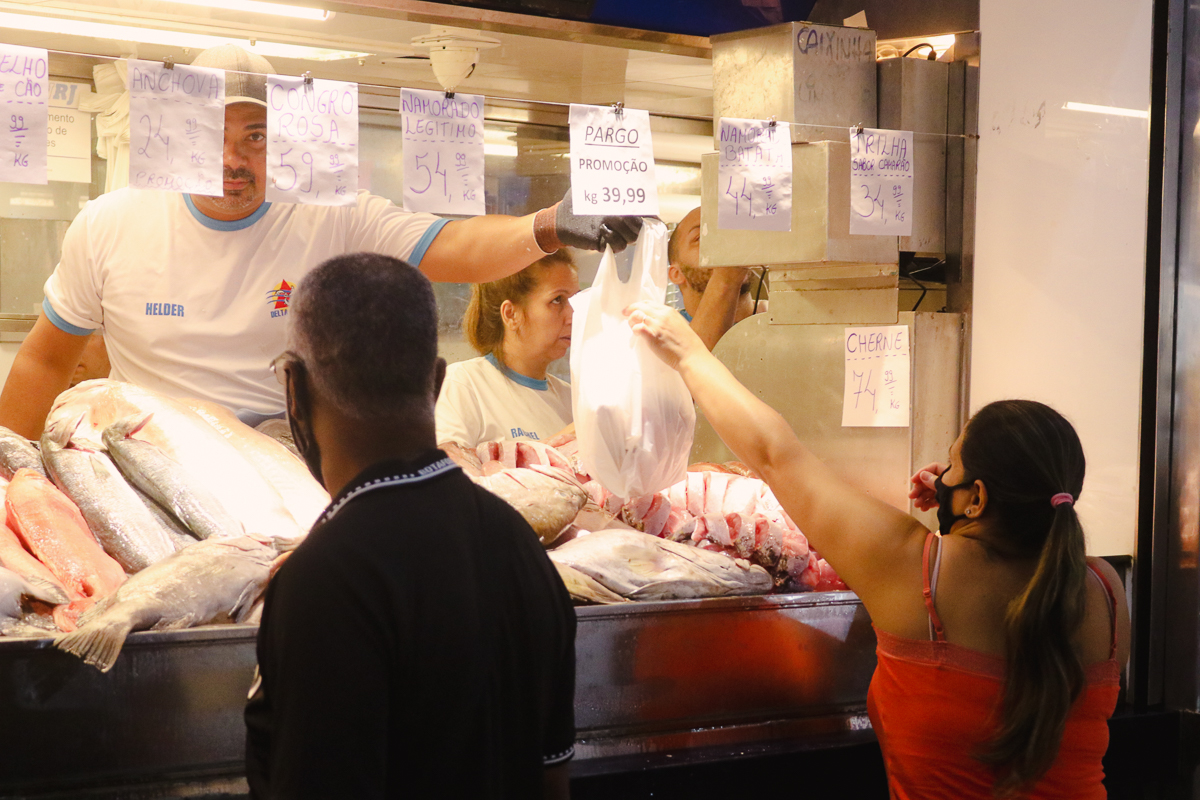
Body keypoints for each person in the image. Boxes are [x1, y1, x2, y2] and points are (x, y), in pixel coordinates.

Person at [0, 44, 642, 438]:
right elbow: (42, 362)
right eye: (213, 134)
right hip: (147, 456)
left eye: (255, 135)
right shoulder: (109, 223)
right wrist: (10, 481)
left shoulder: (328, 213)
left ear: (283, 141)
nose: (233, 158)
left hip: (286, 449)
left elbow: (453, 246)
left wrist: (550, 224)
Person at [626, 301, 1130, 799]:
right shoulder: (1106, 591)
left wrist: (688, 353)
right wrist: (963, 504)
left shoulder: (920, 575)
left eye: (951, 464)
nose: (942, 474)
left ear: (977, 498)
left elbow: (776, 455)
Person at [245, 252, 577, 799]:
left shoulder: (323, 578)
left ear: (294, 392)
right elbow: (552, 781)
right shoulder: (519, 546)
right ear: (439, 380)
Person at [435, 250, 577, 447]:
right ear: (511, 315)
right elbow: (452, 470)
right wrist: (561, 441)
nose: (573, 316)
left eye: (575, 301)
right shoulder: (463, 384)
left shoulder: (571, 399)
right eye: (557, 300)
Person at [668, 206, 764, 351]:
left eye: (731, 233)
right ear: (676, 274)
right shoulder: (664, 335)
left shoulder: (785, 321)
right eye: (700, 237)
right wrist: (728, 273)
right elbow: (695, 362)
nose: (723, 244)